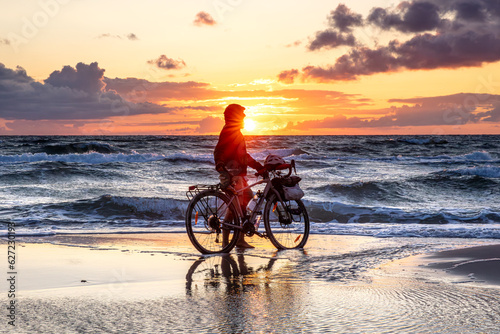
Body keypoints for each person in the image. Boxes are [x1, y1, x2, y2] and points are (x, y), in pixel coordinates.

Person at [214, 104, 263, 248]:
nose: (244, 116)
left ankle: (240, 240)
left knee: (246, 204)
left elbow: (243, 156)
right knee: (234, 209)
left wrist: (258, 166)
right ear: (234, 116)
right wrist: (221, 166)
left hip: (238, 176)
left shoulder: (235, 132)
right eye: (241, 114)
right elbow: (219, 151)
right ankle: (225, 243)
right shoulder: (229, 132)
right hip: (231, 175)